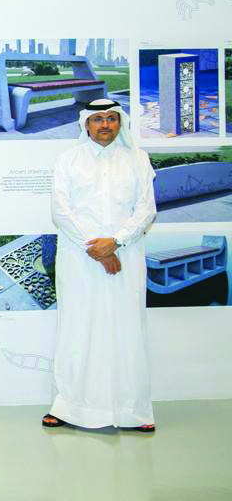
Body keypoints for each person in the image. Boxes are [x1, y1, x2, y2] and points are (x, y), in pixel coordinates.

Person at [44, 99, 157, 433]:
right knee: (78, 329)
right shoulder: (68, 160)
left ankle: (132, 410)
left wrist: (117, 241)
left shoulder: (138, 159)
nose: (105, 125)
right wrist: (98, 249)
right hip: (80, 258)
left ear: (120, 123)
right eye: (97, 119)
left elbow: (146, 209)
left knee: (127, 330)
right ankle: (70, 407)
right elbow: (61, 211)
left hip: (127, 256)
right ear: (86, 124)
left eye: (111, 118)